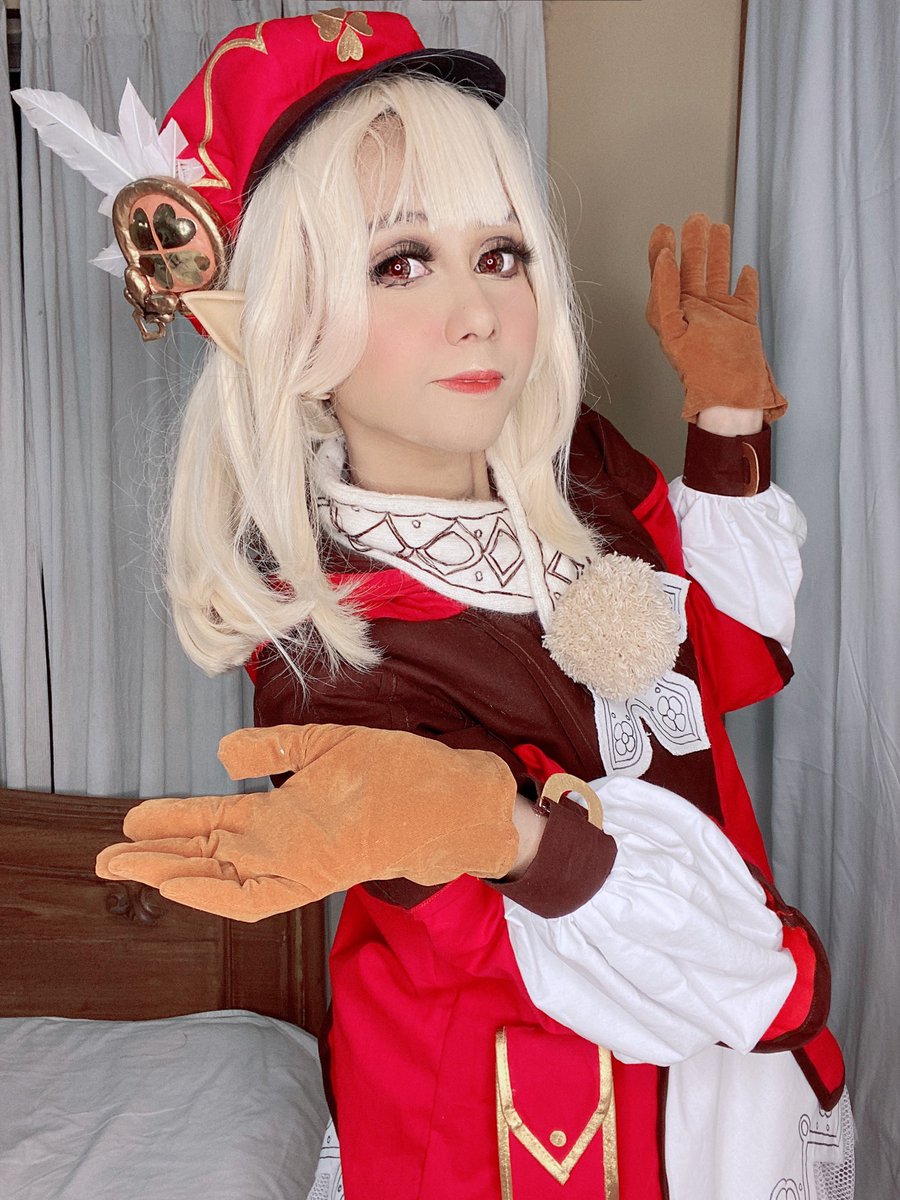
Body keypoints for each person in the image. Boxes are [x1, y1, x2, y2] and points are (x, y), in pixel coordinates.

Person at [18, 11, 854, 1199]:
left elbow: (723, 661)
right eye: (400, 262)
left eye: (499, 252)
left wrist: (724, 426)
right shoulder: (328, 660)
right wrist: (508, 834)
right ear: (289, 324)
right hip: (529, 1131)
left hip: (721, 1085)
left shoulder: (575, 464)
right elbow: (665, 967)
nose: (479, 312)